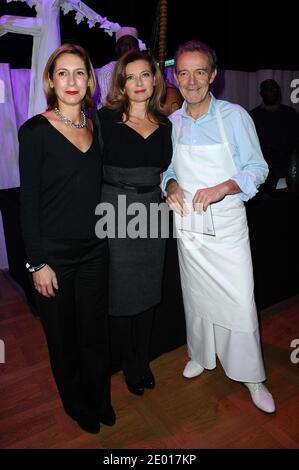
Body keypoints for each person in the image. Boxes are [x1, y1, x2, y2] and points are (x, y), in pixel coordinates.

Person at [162, 40, 276, 413]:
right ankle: (202, 354)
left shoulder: (235, 117)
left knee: (240, 299)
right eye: (183, 72)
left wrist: (224, 187)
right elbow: (169, 170)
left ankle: (251, 374)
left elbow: (258, 169)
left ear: (213, 75)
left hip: (226, 226)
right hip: (190, 228)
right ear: (175, 77)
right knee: (194, 296)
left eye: (199, 72)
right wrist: (172, 185)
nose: (191, 81)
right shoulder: (174, 122)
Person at [19, 44, 115, 434]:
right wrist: (36, 262)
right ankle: (77, 405)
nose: (72, 81)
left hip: (95, 251)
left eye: (80, 73)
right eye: (63, 73)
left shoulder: (96, 127)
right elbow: (28, 203)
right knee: (63, 338)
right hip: (53, 256)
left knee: (95, 333)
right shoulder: (35, 131)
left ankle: (99, 397)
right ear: (51, 80)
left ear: (90, 81)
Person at [97, 50, 172, 395]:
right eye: (131, 77)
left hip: (153, 211)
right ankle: (128, 364)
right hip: (114, 209)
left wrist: (172, 183)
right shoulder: (104, 120)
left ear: (155, 80)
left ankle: (141, 360)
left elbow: (171, 171)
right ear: (121, 83)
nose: (139, 83)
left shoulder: (167, 123)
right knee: (121, 294)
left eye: (145, 75)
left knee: (147, 290)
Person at [250, 79, 299, 192]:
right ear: (261, 93)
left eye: (275, 89)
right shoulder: (253, 116)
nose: (272, 92)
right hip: (264, 171)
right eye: (268, 89)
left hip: (289, 168)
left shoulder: (290, 113)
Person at [97, 26, 140, 107]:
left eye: (132, 44)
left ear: (137, 49)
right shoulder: (108, 70)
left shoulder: (143, 68)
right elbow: (108, 102)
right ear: (117, 49)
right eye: (124, 45)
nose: (129, 48)